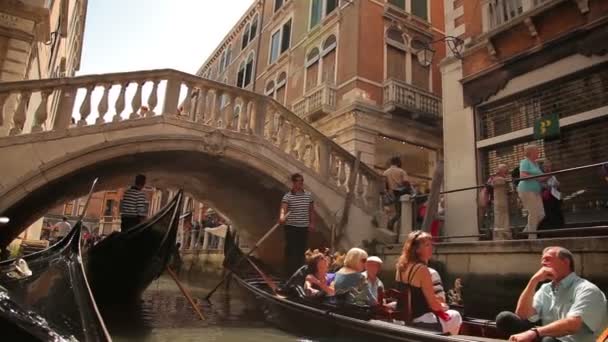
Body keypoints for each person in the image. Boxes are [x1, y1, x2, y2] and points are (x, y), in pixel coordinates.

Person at [496, 246, 608, 342]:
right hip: (551, 338)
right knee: (504, 318)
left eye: (548, 259)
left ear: (565, 262)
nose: (543, 263)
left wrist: (534, 332)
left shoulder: (587, 289)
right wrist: (533, 281)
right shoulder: (546, 288)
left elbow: (573, 325)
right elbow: (522, 315)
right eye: (542, 261)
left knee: (547, 340)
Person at [395, 230, 462, 335]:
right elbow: (433, 305)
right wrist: (443, 306)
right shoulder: (422, 269)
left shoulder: (401, 267)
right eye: (427, 245)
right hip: (422, 320)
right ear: (416, 249)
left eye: (431, 244)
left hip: (403, 318)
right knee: (456, 315)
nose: (431, 248)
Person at [279, 173, 315, 277]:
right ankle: (288, 275)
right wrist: (282, 216)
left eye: (301, 181)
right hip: (291, 227)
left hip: (303, 227)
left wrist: (312, 223)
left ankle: (300, 274)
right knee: (290, 251)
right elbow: (283, 208)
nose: (300, 183)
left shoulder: (308, 196)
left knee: (301, 251)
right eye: (298, 181)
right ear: (293, 183)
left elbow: (311, 211)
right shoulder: (288, 196)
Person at [518, 145, 545, 237]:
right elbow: (522, 175)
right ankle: (532, 237)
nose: (538, 152)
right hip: (526, 190)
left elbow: (540, 178)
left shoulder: (536, 164)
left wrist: (545, 177)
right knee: (533, 213)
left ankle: (525, 232)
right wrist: (537, 177)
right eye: (537, 151)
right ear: (531, 152)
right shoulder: (525, 162)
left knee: (541, 214)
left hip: (536, 191)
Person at [383, 157, 411, 231]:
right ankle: (391, 224)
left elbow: (384, 185)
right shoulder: (401, 171)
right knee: (399, 213)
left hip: (389, 195)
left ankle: (391, 228)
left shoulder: (385, 172)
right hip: (399, 194)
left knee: (391, 213)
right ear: (398, 162)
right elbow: (406, 183)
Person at [537, 160, 564, 232]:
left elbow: (557, 183)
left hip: (555, 196)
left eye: (549, 166)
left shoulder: (552, 175)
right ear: (542, 167)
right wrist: (549, 184)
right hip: (546, 197)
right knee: (548, 213)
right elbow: (541, 185)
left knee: (557, 212)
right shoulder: (540, 175)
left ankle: (559, 227)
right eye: (546, 167)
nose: (548, 168)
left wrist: (557, 185)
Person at [492, 164, 512, 239]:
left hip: (503, 201)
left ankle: (505, 233)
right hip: (499, 201)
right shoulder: (497, 179)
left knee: (504, 216)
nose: (506, 171)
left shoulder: (503, 179)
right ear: (500, 170)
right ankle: (501, 235)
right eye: (505, 169)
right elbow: (497, 182)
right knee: (500, 216)